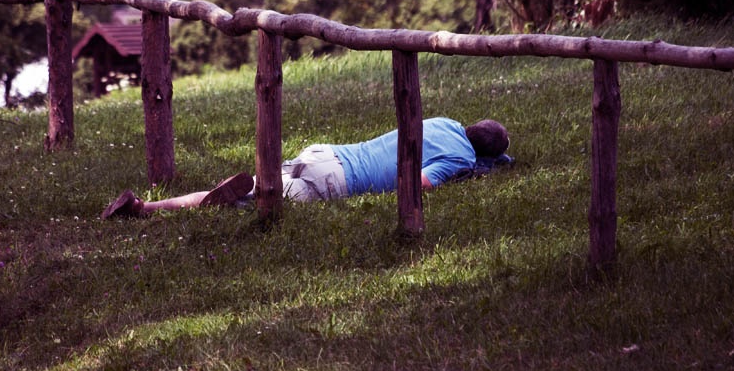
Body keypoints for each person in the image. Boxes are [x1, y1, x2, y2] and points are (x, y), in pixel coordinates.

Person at [101, 118, 510, 219]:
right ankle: (232, 199)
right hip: (336, 183)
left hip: (324, 156)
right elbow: (419, 182)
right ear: (484, 155)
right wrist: (469, 172)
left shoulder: (444, 123)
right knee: (241, 203)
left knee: (258, 187)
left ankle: (144, 206)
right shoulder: (462, 159)